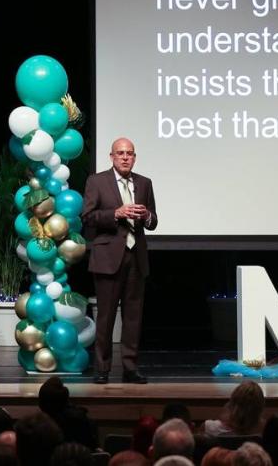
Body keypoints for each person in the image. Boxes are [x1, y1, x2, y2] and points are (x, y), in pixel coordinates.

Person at [81, 137, 158, 384]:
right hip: (108, 256)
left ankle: (130, 367)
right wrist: (116, 213)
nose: (125, 157)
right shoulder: (97, 181)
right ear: (112, 156)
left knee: (133, 316)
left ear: (134, 157)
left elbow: (154, 221)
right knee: (105, 316)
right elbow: (88, 216)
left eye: (130, 153)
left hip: (136, 257)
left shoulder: (144, 183)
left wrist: (146, 215)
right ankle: (102, 368)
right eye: (120, 153)